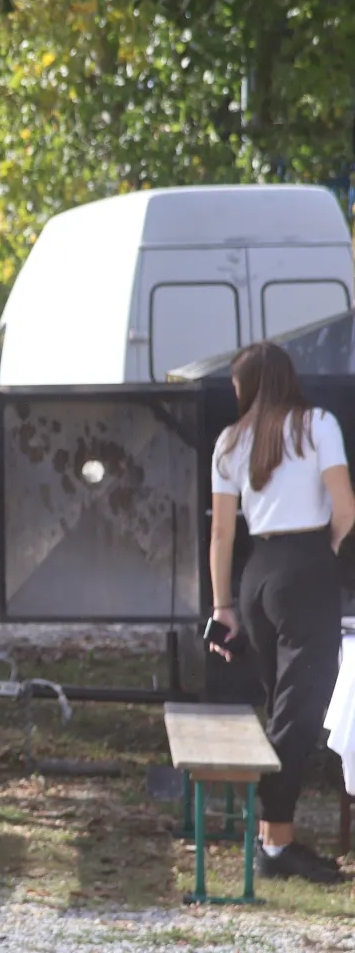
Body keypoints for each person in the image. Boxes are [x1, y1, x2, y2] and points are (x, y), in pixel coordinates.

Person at [209, 341, 354, 884]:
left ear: (248, 385)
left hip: (256, 574)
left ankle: (275, 836)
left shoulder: (231, 440)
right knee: (299, 708)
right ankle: (273, 844)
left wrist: (223, 604)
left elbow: (222, 532)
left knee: (282, 703)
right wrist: (328, 551)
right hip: (304, 566)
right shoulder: (318, 424)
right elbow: (346, 507)